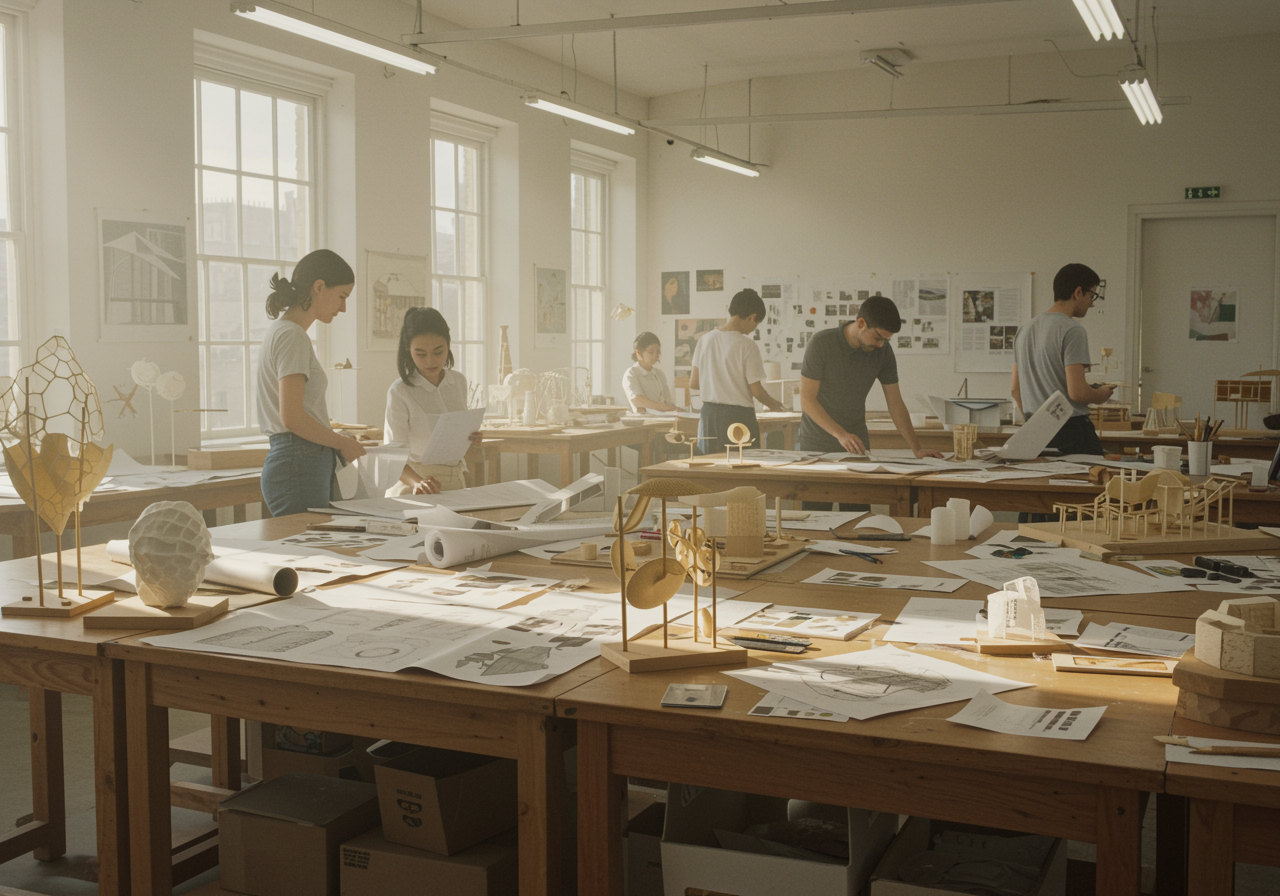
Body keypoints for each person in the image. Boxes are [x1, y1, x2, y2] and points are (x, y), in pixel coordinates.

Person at [257, 249, 366, 517]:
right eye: (342, 296)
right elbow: (292, 417)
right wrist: (342, 443)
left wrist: (336, 439)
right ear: (319, 287)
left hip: (303, 460)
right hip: (299, 461)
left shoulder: (287, 333)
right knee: (308, 554)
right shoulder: (292, 336)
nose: (343, 307)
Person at [797, 294, 942, 459]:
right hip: (817, 441)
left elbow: (895, 403)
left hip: (857, 442)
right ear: (861, 323)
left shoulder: (883, 351)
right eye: (877, 338)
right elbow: (807, 400)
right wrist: (841, 434)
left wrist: (916, 449)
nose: (880, 345)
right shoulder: (822, 343)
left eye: (886, 340)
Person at [1011, 263, 1115, 457]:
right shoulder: (1072, 330)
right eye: (1092, 295)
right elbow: (1078, 393)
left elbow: (1015, 390)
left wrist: (1037, 424)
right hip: (1071, 431)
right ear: (1078, 292)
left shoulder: (1023, 330)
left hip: (1035, 432)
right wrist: (1100, 394)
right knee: (1088, 485)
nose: (1092, 303)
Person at [384, 306, 483, 495]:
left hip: (456, 479)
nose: (431, 361)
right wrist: (418, 483)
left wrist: (470, 437)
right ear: (408, 349)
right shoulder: (400, 392)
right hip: (415, 484)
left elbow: (451, 437)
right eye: (421, 354)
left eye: (438, 352)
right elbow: (392, 457)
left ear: (448, 345)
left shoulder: (458, 382)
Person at [690, 288, 786, 454]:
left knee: (709, 468)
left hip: (708, 416)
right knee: (743, 469)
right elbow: (757, 391)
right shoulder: (747, 345)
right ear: (751, 317)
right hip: (737, 417)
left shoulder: (704, 340)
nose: (754, 328)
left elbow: (694, 383)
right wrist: (775, 405)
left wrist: (717, 385)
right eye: (756, 324)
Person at [622, 332, 679, 413]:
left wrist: (674, 409)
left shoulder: (659, 374)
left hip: (665, 418)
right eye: (651, 352)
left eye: (658, 352)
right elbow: (638, 400)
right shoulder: (631, 373)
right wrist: (666, 407)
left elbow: (668, 401)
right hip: (644, 421)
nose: (656, 355)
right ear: (638, 353)